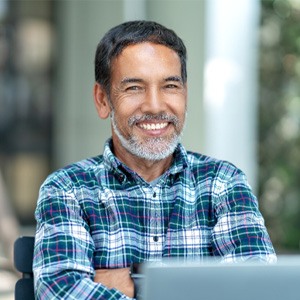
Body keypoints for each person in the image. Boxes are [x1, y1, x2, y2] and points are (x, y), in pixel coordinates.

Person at [33, 20, 276, 299]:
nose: (155, 106)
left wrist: (137, 283)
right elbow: (61, 292)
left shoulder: (223, 183)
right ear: (102, 100)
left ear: (185, 93)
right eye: (134, 87)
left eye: (170, 86)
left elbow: (258, 290)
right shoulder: (68, 190)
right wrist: (205, 287)